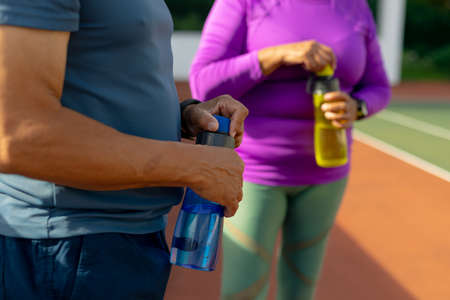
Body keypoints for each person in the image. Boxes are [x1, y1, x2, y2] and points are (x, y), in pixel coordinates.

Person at [0, 1, 248, 299]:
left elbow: (105, 79)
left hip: (126, 241)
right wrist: (195, 166)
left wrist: (184, 117)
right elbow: (18, 135)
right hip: (70, 245)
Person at [190, 0, 391, 299]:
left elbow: (379, 87)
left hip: (327, 174)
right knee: (242, 293)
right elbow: (202, 86)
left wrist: (357, 106)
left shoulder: (355, 6)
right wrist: (277, 55)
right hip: (254, 172)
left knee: (300, 292)